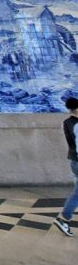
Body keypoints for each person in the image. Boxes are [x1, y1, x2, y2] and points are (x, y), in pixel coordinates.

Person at [54, 96, 78, 236]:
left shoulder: (67, 122)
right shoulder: (76, 124)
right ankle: (64, 219)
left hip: (74, 162)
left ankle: (64, 219)